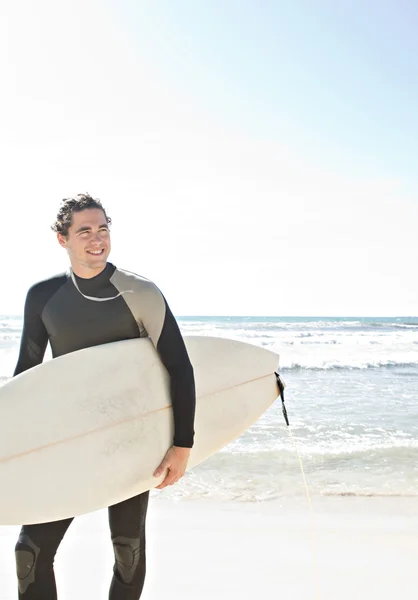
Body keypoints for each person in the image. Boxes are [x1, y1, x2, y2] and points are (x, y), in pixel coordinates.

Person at [13, 193, 196, 600]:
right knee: (30, 552)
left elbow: (180, 368)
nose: (97, 239)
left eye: (103, 229)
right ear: (63, 240)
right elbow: (26, 377)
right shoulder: (42, 297)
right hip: (67, 439)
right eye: (84, 231)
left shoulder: (141, 292)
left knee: (126, 551)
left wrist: (182, 444)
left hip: (130, 438)